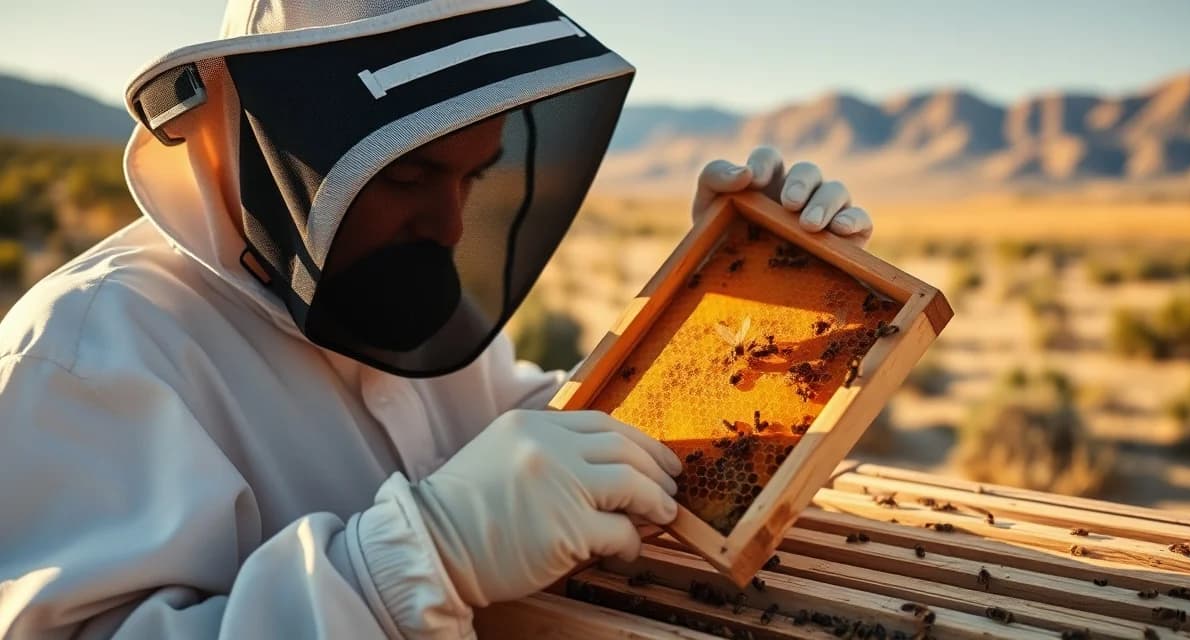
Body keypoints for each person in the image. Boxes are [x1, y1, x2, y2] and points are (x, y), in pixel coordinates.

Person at [0, 1, 874, 638]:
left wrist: (722, 317)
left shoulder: (407, 291)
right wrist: (418, 561)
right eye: (408, 178)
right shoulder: (84, 354)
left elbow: (526, 452)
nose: (452, 226)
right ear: (262, 153)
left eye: (473, 176)